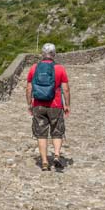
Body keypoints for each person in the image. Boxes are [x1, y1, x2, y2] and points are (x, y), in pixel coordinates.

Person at [26, 43, 70, 171]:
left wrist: (29, 104)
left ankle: (45, 162)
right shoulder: (60, 69)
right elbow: (66, 89)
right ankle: (56, 155)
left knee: (41, 134)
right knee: (57, 131)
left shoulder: (34, 68)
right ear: (54, 54)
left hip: (38, 105)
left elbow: (29, 88)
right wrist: (67, 105)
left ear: (42, 54)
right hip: (56, 105)